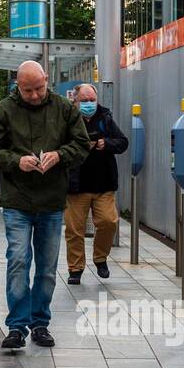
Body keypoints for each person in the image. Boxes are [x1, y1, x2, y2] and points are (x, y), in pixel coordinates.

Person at [0, 61, 90, 350]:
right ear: (18, 85)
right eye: (27, 90)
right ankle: (17, 327)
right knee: (18, 260)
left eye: (39, 88)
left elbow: (81, 144)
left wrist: (60, 155)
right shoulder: (4, 110)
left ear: (46, 80)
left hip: (52, 201)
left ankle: (40, 322)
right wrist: (16, 161)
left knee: (47, 267)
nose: (34, 95)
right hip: (17, 199)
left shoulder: (64, 109)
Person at [65, 83, 129, 284]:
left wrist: (105, 144)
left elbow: (122, 142)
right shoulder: (68, 120)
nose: (89, 104)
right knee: (74, 229)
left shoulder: (105, 118)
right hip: (76, 186)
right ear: (75, 101)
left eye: (92, 100)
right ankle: (75, 269)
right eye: (84, 101)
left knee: (109, 222)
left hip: (104, 184)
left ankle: (100, 257)